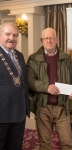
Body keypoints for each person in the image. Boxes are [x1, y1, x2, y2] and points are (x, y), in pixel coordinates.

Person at [27, 27, 72, 150]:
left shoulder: (66, 59)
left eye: (51, 38)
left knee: (67, 143)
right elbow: (30, 81)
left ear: (57, 40)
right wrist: (46, 87)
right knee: (44, 144)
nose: (49, 41)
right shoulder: (33, 59)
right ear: (41, 40)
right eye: (46, 38)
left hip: (62, 107)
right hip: (42, 107)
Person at [0, 22, 30, 150]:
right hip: (2, 114)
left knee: (16, 146)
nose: (11, 38)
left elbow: (24, 83)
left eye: (15, 35)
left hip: (19, 112)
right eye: (7, 34)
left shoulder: (20, 55)